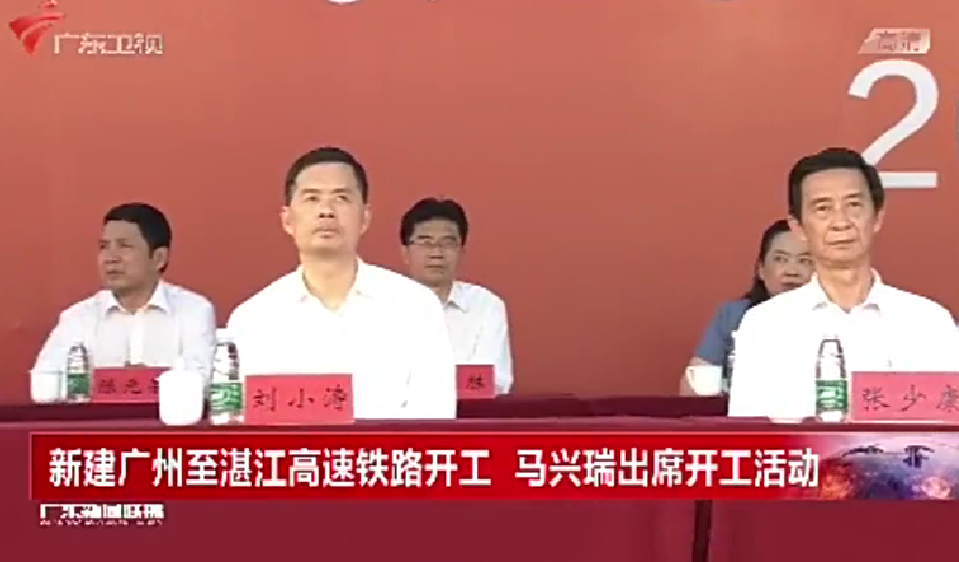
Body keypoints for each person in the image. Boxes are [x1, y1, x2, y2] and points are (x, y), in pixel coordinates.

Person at [728, 147, 959, 418]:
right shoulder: (765, 325)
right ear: (798, 227)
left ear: (877, 217)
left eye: (853, 205)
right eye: (822, 208)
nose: (841, 222)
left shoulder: (928, 321)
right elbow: (751, 433)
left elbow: (946, 429)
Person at [226, 147, 456, 419]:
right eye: (312, 198)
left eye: (341, 198)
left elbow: (435, 416)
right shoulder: (252, 319)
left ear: (365, 218)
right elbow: (241, 423)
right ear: (287, 220)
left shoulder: (415, 306)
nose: (326, 211)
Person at [31, 203, 216, 400]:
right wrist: (109, 384)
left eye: (124, 246)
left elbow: (200, 382)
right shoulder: (78, 317)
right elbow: (43, 385)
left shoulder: (194, 311)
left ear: (159, 258)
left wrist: (144, 382)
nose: (110, 258)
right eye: (104, 247)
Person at [680, 219, 812, 395]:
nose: (792, 271)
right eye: (781, 259)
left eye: (804, 261)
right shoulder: (734, 316)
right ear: (761, 270)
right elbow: (693, 386)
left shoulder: (835, 315)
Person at [400, 198, 514, 394]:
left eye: (447, 243)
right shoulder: (380, 305)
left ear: (462, 252)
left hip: (467, 412)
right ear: (405, 252)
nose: (436, 252)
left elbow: (495, 380)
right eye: (425, 242)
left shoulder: (486, 306)